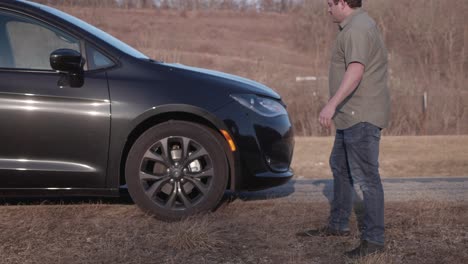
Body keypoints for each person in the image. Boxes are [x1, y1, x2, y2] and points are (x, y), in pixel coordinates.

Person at [297, 0, 390, 258]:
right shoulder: (355, 26)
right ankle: (338, 225)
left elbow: (356, 70)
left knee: (367, 178)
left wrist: (331, 105)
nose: (327, 9)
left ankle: (374, 240)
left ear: (342, 3)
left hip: (360, 115)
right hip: (351, 115)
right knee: (339, 164)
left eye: (329, 3)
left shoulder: (357, 29)